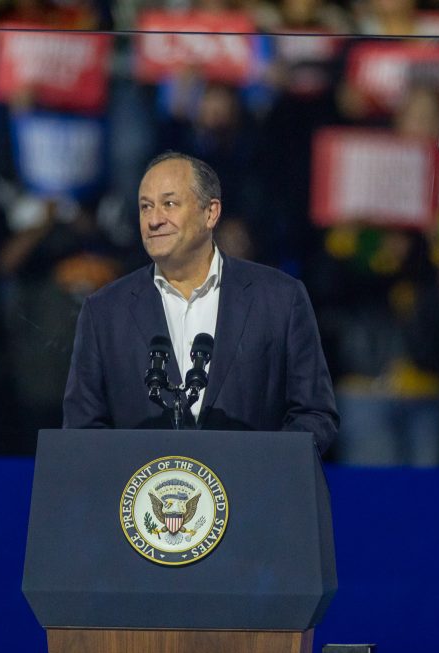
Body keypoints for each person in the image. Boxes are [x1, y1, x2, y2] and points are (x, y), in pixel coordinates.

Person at [62, 151, 339, 455]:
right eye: (145, 207)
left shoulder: (279, 299)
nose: (154, 220)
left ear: (211, 213)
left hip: (252, 495)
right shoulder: (104, 312)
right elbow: (82, 429)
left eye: (169, 204)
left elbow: (315, 415)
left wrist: (266, 467)